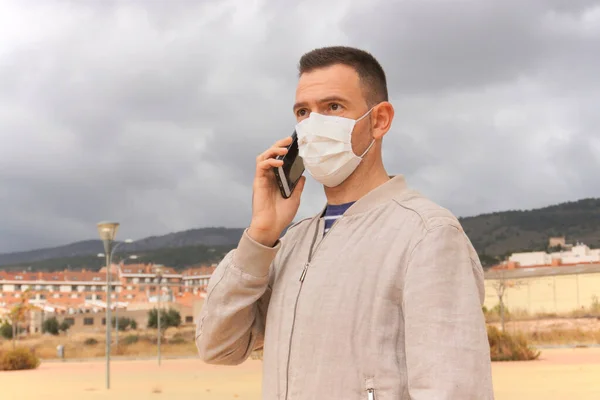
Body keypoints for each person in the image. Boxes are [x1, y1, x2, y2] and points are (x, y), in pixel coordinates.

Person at [196, 46, 494, 400]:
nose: (313, 124)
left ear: (379, 120)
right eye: (303, 112)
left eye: (333, 107)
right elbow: (218, 347)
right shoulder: (292, 242)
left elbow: (453, 389)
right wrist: (261, 236)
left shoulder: (427, 234)